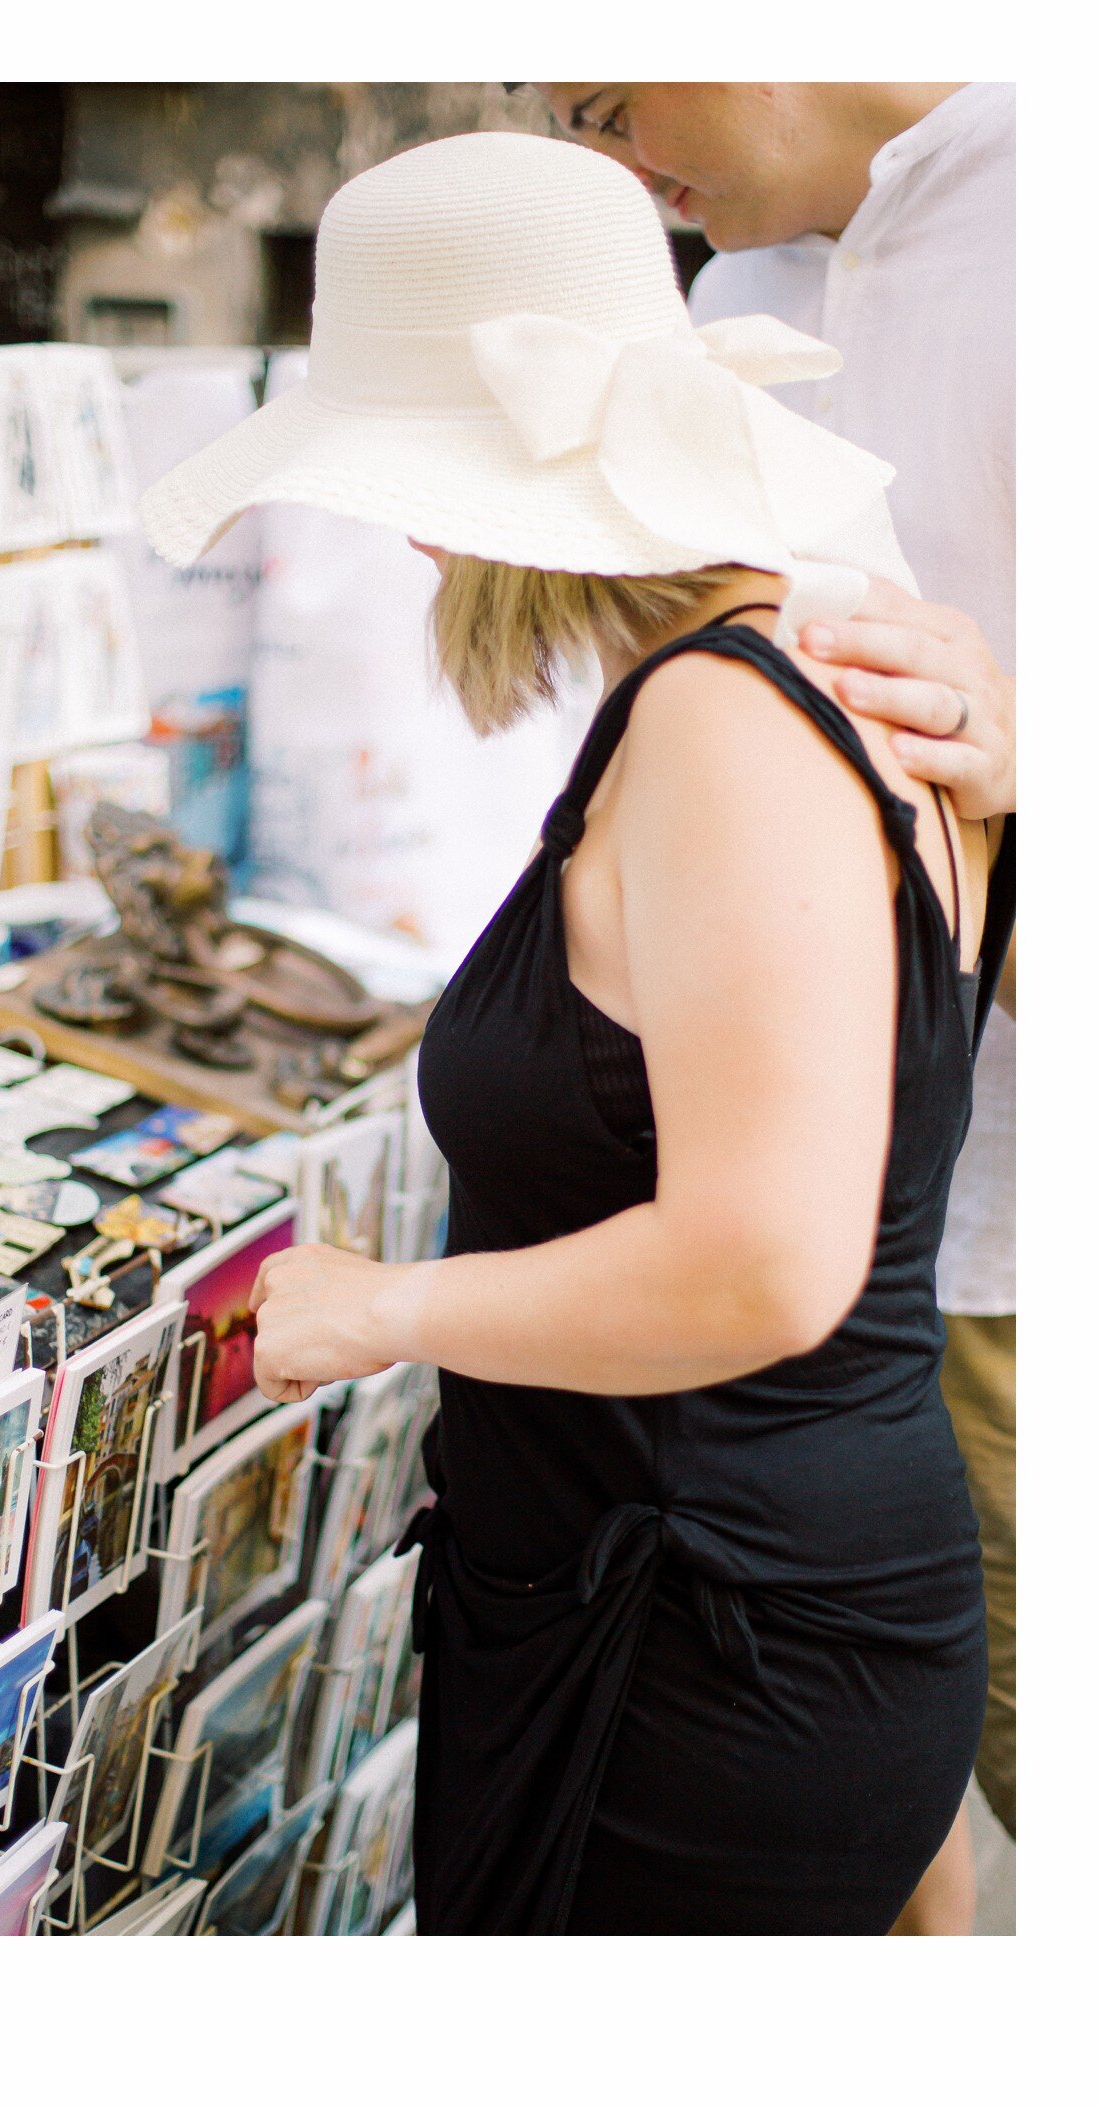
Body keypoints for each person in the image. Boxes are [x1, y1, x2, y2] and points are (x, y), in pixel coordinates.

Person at [139, 131, 1013, 1935]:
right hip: (752, 1590)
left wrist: (384, 1308)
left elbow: (769, 1267)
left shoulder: (727, 724)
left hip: (701, 1634)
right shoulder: (829, 684)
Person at [536, 79, 1016, 1934]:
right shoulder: (757, 281)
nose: (616, 165)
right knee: (886, 1813)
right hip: (776, 1206)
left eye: (605, 95)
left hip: (990, 1240)